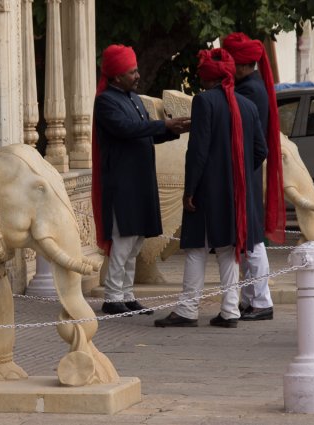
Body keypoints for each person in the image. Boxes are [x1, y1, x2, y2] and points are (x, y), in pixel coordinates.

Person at [154, 48, 267, 328]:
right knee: (228, 249)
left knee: (196, 249)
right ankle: (230, 311)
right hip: (236, 191)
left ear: (208, 77)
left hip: (207, 190)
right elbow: (260, 150)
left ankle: (187, 309)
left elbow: (198, 150)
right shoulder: (247, 105)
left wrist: (190, 188)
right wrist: (235, 172)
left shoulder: (204, 102)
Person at [92, 44, 190, 315]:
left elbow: (145, 132)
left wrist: (173, 130)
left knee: (135, 242)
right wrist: (164, 125)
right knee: (122, 241)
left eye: (136, 71)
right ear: (116, 77)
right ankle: (112, 297)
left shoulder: (133, 99)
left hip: (140, 180)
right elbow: (127, 129)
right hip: (122, 182)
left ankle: (127, 294)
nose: (137, 76)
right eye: (131, 72)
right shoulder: (105, 102)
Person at [222, 32, 286, 321]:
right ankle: (251, 299)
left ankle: (261, 301)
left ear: (244, 65)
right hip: (247, 170)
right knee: (247, 240)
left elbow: (254, 142)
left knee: (254, 242)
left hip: (245, 171)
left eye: (231, 62)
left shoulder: (248, 91)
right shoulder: (250, 85)